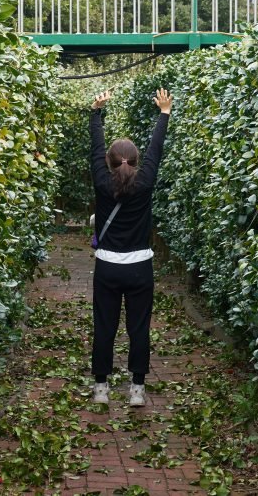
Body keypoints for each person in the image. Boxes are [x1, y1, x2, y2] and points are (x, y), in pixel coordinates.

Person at [88, 87, 172, 407]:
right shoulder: (145, 181)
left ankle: (101, 388)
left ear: (109, 163)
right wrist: (163, 113)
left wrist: (96, 113)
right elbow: (156, 149)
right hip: (140, 267)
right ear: (136, 162)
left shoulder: (101, 181)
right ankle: (137, 389)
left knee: (104, 326)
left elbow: (96, 149)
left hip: (107, 267)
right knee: (139, 327)